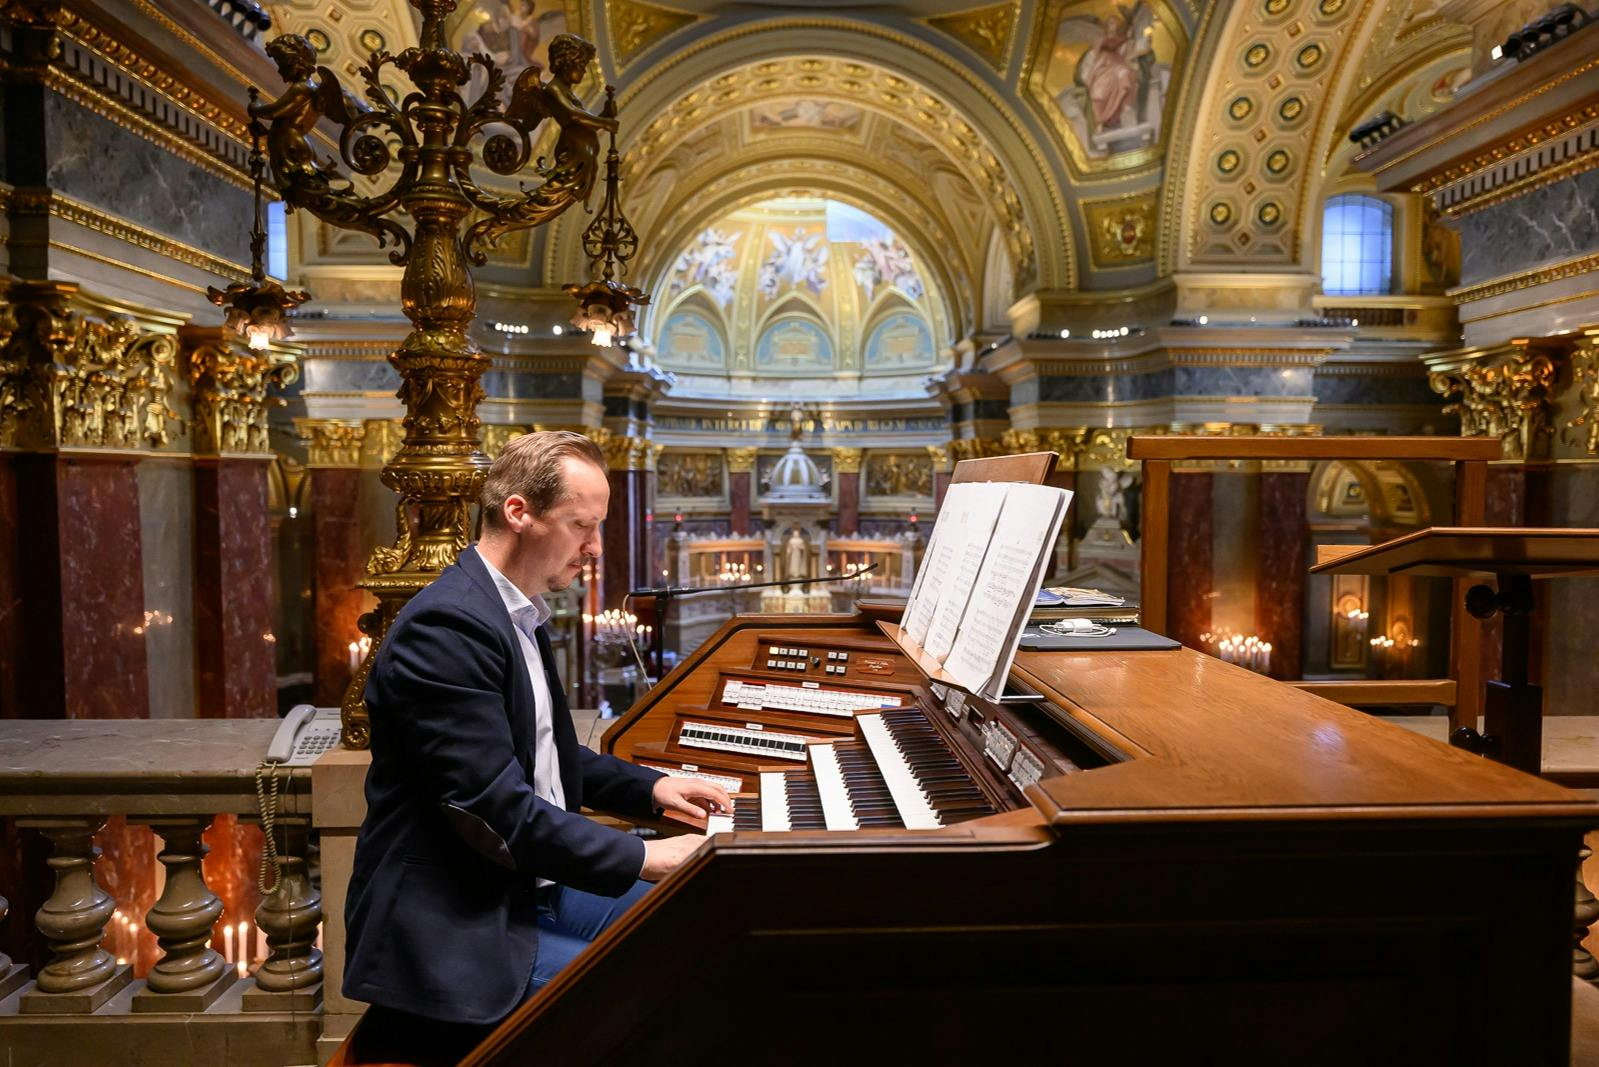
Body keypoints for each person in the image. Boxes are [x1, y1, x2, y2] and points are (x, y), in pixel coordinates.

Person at [343, 430, 731, 1065]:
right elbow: (497, 809)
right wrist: (645, 855)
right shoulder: (447, 628)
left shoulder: (514, 613)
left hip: (524, 887)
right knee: (662, 1001)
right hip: (457, 920)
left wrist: (650, 787)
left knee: (703, 927)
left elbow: (546, 755)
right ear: (519, 513)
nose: (595, 548)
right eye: (583, 525)